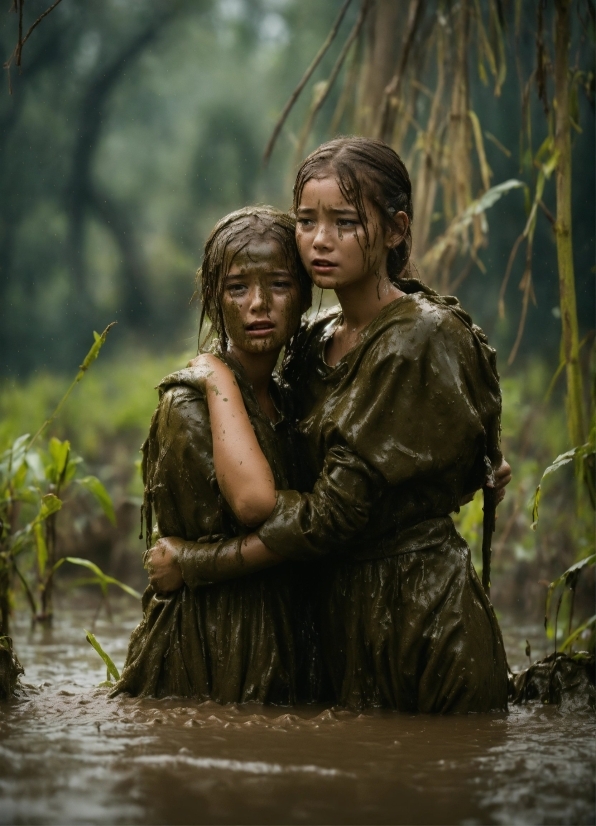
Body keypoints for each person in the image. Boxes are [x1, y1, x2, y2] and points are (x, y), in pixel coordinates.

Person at [149, 137, 512, 713]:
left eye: (345, 222)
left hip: (421, 613)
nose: (320, 241)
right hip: (341, 621)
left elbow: (333, 516)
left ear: (395, 230)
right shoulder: (315, 339)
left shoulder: (417, 335)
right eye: (307, 221)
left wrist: (194, 563)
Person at [111, 206, 315, 703]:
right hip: (210, 640)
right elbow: (249, 516)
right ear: (214, 299)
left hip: (279, 632)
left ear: (306, 294)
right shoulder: (189, 405)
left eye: (281, 285)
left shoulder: (292, 394)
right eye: (238, 287)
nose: (259, 305)